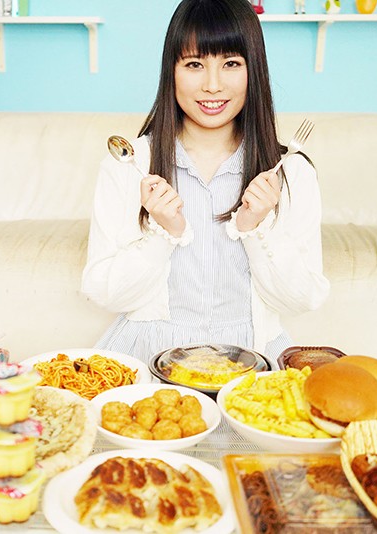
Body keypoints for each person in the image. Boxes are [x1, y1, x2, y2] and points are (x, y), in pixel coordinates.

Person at [81, 0, 330, 366]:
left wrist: (256, 229)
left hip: (253, 360)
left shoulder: (292, 172)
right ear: (171, 71)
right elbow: (104, 294)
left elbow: (303, 298)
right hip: (147, 356)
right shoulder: (129, 165)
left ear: (254, 69)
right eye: (195, 64)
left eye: (231, 63)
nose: (213, 86)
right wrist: (163, 233)